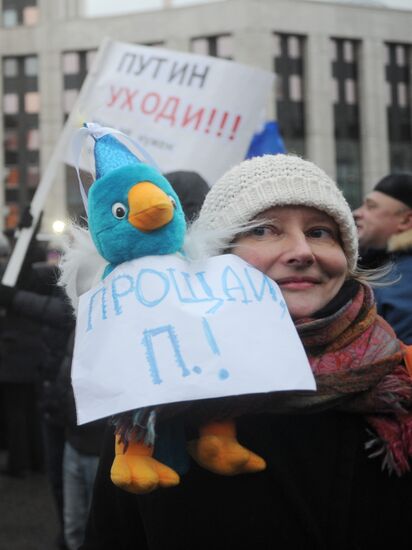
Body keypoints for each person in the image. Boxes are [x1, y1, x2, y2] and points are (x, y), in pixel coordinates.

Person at [79, 154, 412, 550]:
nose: (302, 251)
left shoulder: (399, 380)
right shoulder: (156, 402)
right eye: (264, 230)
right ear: (220, 257)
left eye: (321, 232)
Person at [353, 173, 412, 343]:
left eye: (371, 207)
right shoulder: (383, 268)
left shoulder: (400, 280)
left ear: (406, 220)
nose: (357, 212)